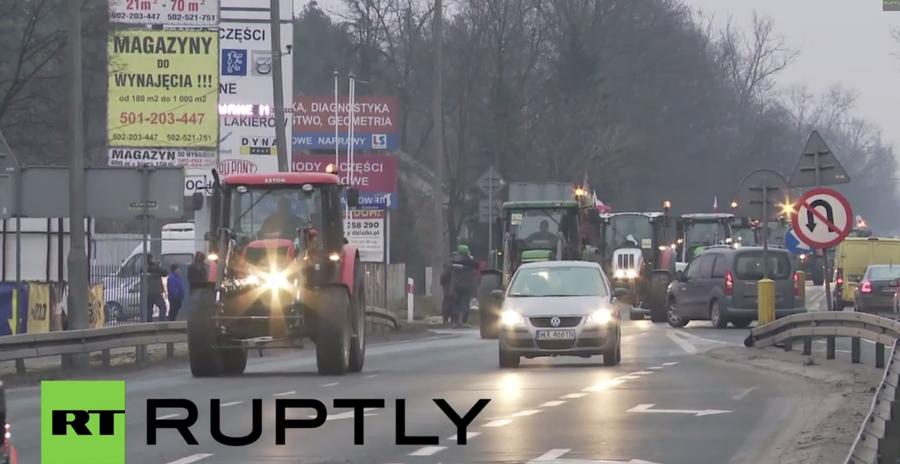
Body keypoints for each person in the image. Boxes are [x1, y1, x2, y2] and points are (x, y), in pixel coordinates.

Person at [448, 244, 478, 328]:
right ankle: (461, 321)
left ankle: (454, 322)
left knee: (455, 303)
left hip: (455, 285)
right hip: (466, 285)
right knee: (464, 303)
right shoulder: (468, 260)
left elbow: (447, 269)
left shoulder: (453, 260)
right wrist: (470, 257)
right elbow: (477, 265)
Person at [143, 254, 168, 322]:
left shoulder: (144, 267)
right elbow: (165, 273)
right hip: (156, 291)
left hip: (147, 292)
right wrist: (157, 266)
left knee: (149, 309)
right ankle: (161, 321)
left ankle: (148, 323)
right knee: (163, 307)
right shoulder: (154, 267)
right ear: (151, 259)